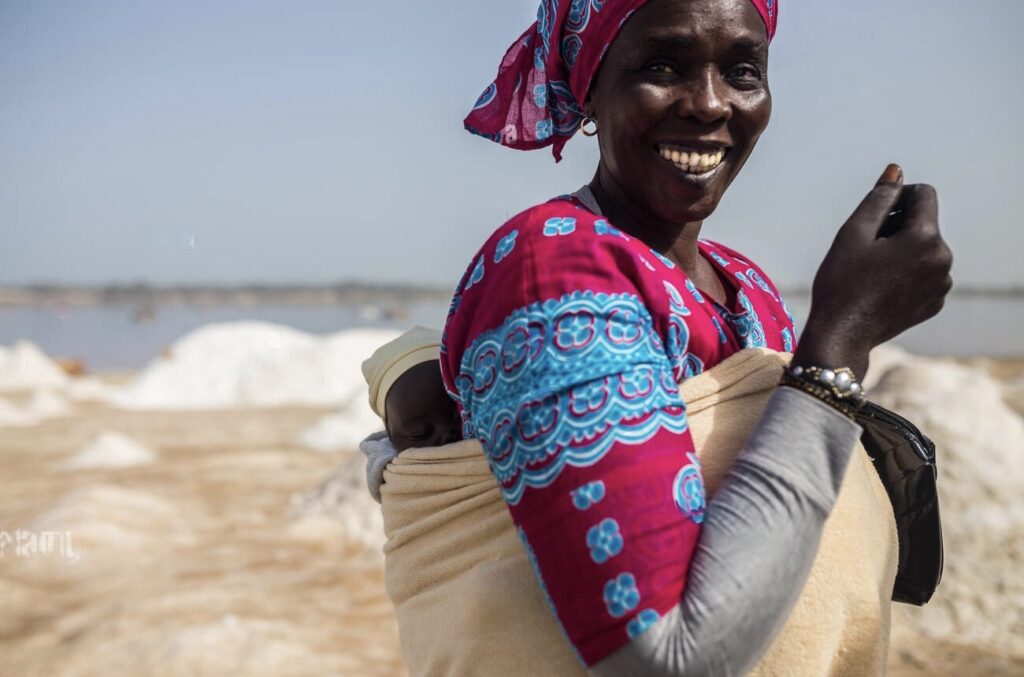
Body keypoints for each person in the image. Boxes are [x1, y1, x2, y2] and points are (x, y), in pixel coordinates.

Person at [438, 0, 953, 674]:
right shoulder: (555, 267)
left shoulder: (747, 287)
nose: (710, 104)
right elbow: (662, 658)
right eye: (661, 65)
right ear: (588, 86)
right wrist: (840, 343)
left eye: (743, 71)